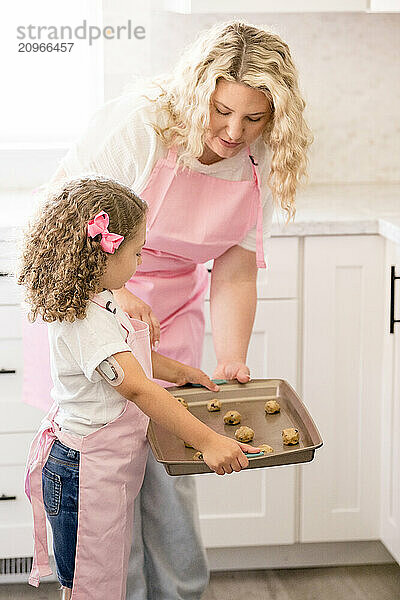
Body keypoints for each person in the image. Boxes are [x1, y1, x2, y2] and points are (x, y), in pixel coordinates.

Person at [23, 20, 312, 600]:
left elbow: (233, 268)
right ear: (196, 90)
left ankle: (181, 592)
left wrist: (231, 359)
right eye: (221, 110)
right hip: (92, 300)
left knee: (171, 469)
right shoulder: (142, 125)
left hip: (172, 313)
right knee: (107, 477)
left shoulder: (263, 159)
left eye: (253, 118)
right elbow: (70, 219)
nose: (234, 132)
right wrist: (115, 293)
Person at [20, 176, 261, 600]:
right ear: (105, 252)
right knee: (92, 585)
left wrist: (182, 371)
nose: (141, 260)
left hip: (103, 469)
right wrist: (207, 440)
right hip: (84, 472)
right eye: (136, 251)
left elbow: (132, 356)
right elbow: (137, 388)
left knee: (107, 576)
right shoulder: (86, 321)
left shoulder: (102, 297)